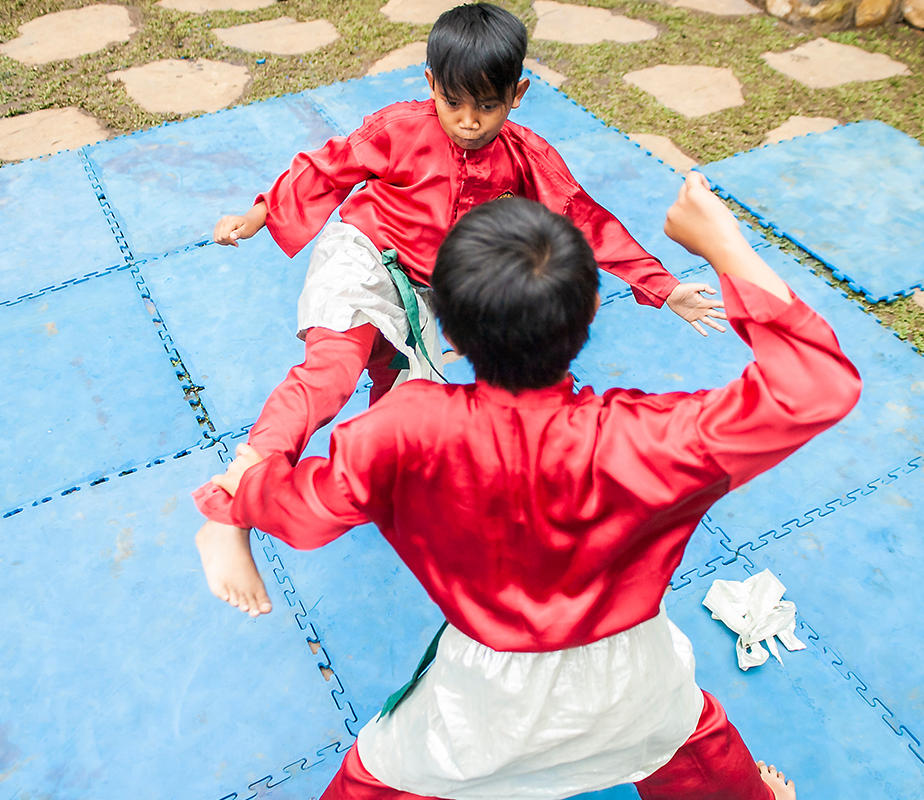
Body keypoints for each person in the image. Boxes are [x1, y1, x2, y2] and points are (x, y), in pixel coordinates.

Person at [197, 176, 861, 799]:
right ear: (591, 309)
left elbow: (302, 509)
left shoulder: (404, 429)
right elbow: (817, 385)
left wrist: (236, 497)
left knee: (376, 776)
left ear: (449, 331)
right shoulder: (646, 438)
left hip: (485, 696)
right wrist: (724, 244)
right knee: (681, 733)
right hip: (629, 675)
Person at [191, 4, 728, 592]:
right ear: (430, 85)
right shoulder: (400, 128)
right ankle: (231, 503)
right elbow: (327, 168)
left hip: (429, 291)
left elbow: (585, 220)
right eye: (454, 103)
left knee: (404, 400)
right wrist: (258, 213)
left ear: (518, 93)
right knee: (331, 369)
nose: (469, 121)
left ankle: (373, 480)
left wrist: (664, 285)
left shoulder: (525, 158)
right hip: (365, 256)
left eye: (488, 105)